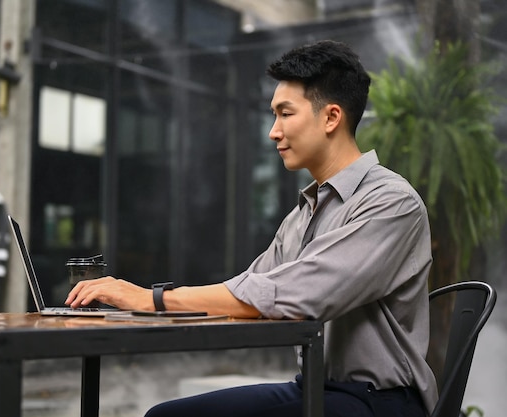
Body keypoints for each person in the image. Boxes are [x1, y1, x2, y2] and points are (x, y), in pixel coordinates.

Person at [65, 40, 438, 417]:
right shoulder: (305, 212)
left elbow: (294, 297)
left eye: (285, 114)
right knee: (166, 414)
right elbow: (250, 290)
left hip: (382, 402)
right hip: (318, 388)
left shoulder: (390, 202)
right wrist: (135, 305)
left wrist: (153, 299)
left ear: (331, 117)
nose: (273, 132)